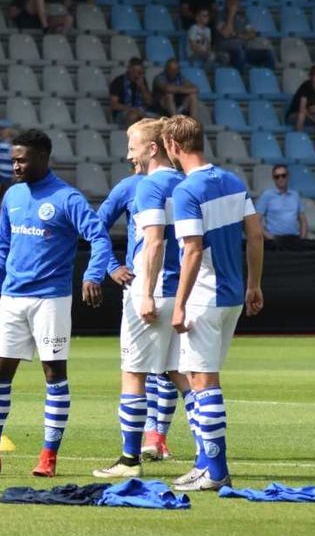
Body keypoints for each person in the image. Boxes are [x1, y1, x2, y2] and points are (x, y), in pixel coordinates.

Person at [0, 129, 112, 478]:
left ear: (43, 159)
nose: (15, 166)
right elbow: (2, 249)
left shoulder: (67, 198)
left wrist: (93, 275)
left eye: (22, 160)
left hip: (51, 299)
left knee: (54, 375)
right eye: (13, 160)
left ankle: (48, 458)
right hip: (12, 298)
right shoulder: (13, 196)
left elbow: (99, 237)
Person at [161, 114, 264, 491]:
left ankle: (217, 471)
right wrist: (255, 284)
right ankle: (204, 462)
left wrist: (180, 303)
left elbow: (191, 251)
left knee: (203, 381)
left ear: (173, 146)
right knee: (193, 375)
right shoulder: (232, 179)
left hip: (205, 296)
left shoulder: (187, 191)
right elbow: (255, 235)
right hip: (233, 295)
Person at [93, 117, 188, 479]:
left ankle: (129, 460)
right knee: (184, 375)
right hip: (185, 290)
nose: (127, 153)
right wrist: (112, 264)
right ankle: (209, 460)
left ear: (152, 149)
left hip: (150, 289)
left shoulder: (146, 186)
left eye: (132, 146)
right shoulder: (188, 184)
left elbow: (154, 241)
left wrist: (140, 288)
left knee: (133, 374)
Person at [215, 0, 276, 75]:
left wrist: (238, 35)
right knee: (239, 48)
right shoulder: (220, 15)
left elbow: (252, 34)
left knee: (267, 54)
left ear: (238, 2)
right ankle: (240, 81)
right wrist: (231, 14)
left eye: (235, 0)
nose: (232, 2)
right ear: (226, 1)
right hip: (226, 50)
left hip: (243, 49)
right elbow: (225, 34)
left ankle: (269, 80)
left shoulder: (243, 16)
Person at [256, 165, 308, 247]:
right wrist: (269, 238)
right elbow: (256, 221)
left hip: (294, 239)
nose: (280, 178)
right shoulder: (266, 195)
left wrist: (302, 239)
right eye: (277, 176)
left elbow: (303, 220)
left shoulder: (295, 195)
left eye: (283, 175)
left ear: (288, 176)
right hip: (275, 240)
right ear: (273, 179)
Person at [110, 58, 156, 126]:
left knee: (160, 119)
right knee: (133, 116)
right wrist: (133, 109)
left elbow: (149, 102)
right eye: (134, 71)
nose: (136, 75)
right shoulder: (118, 81)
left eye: (139, 72)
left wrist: (142, 87)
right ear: (129, 69)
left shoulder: (142, 81)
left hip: (141, 111)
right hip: (123, 113)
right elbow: (114, 105)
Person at [0, 119, 16, 193]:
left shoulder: (16, 144)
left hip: (11, 177)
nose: (1, 131)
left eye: (3, 129)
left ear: (10, 130)